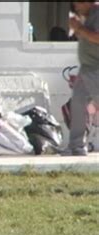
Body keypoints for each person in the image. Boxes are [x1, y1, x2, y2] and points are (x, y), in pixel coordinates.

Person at [62, 1, 99, 156]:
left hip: (97, 69)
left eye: (77, 3)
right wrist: (78, 28)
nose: (75, 7)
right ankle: (76, 146)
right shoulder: (86, 16)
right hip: (86, 68)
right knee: (77, 103)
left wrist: (80, 28)